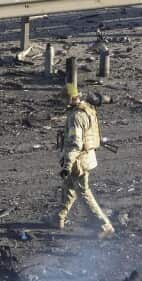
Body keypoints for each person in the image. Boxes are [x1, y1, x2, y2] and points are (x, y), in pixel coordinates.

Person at [57, 83, 115, 235]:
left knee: (83, 192)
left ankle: (104, 225)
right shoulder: (87, 108)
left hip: (79, 160)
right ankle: (58, 218)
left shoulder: (76, 116)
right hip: (87, 156)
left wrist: (67, 165)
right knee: (69, 186)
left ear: (70, 99)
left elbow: (74, 144)